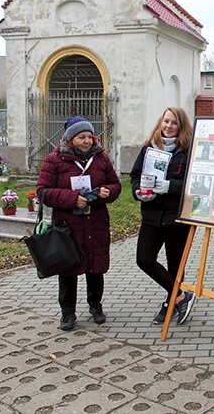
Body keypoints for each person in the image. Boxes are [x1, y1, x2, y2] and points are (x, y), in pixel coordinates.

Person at [37, 116, 122, 331]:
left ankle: (96, 306)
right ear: (70, 139)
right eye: (81, 137)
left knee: (96, 267)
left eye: (89, 137)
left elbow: (115, 185)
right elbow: (43, 192)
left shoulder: (101, 158)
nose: (87, 141)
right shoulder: (55, 160)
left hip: (96, 222)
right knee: (69, 269)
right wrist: (72, 198)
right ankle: (68, 312)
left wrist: (107, 191)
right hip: (68, 225)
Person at [130, 107, 196, 326]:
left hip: (177, 217)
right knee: (144, 259)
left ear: (181, 126)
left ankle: (170, 303)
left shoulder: (188, 150)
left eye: (174, 123)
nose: (168, 126)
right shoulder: (149, 148)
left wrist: (169, 186)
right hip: (151, 214)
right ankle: (181, 295)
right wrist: (138, 192)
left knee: (175, 265)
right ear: (160, 122)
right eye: (166, 121)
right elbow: (135, 176)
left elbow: (192, 184)